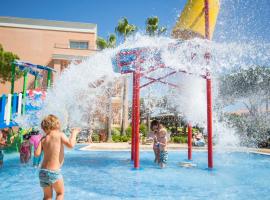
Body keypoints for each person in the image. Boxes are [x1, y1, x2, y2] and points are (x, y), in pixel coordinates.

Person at [35, 114, 80, 200]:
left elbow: (37, 154)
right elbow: (71, 145)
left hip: (42, 172)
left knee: (47, 196)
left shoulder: (43, 139)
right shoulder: (60, 135)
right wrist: (74, 133)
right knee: (60, 193)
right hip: (54, 172)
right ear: (56, 124)